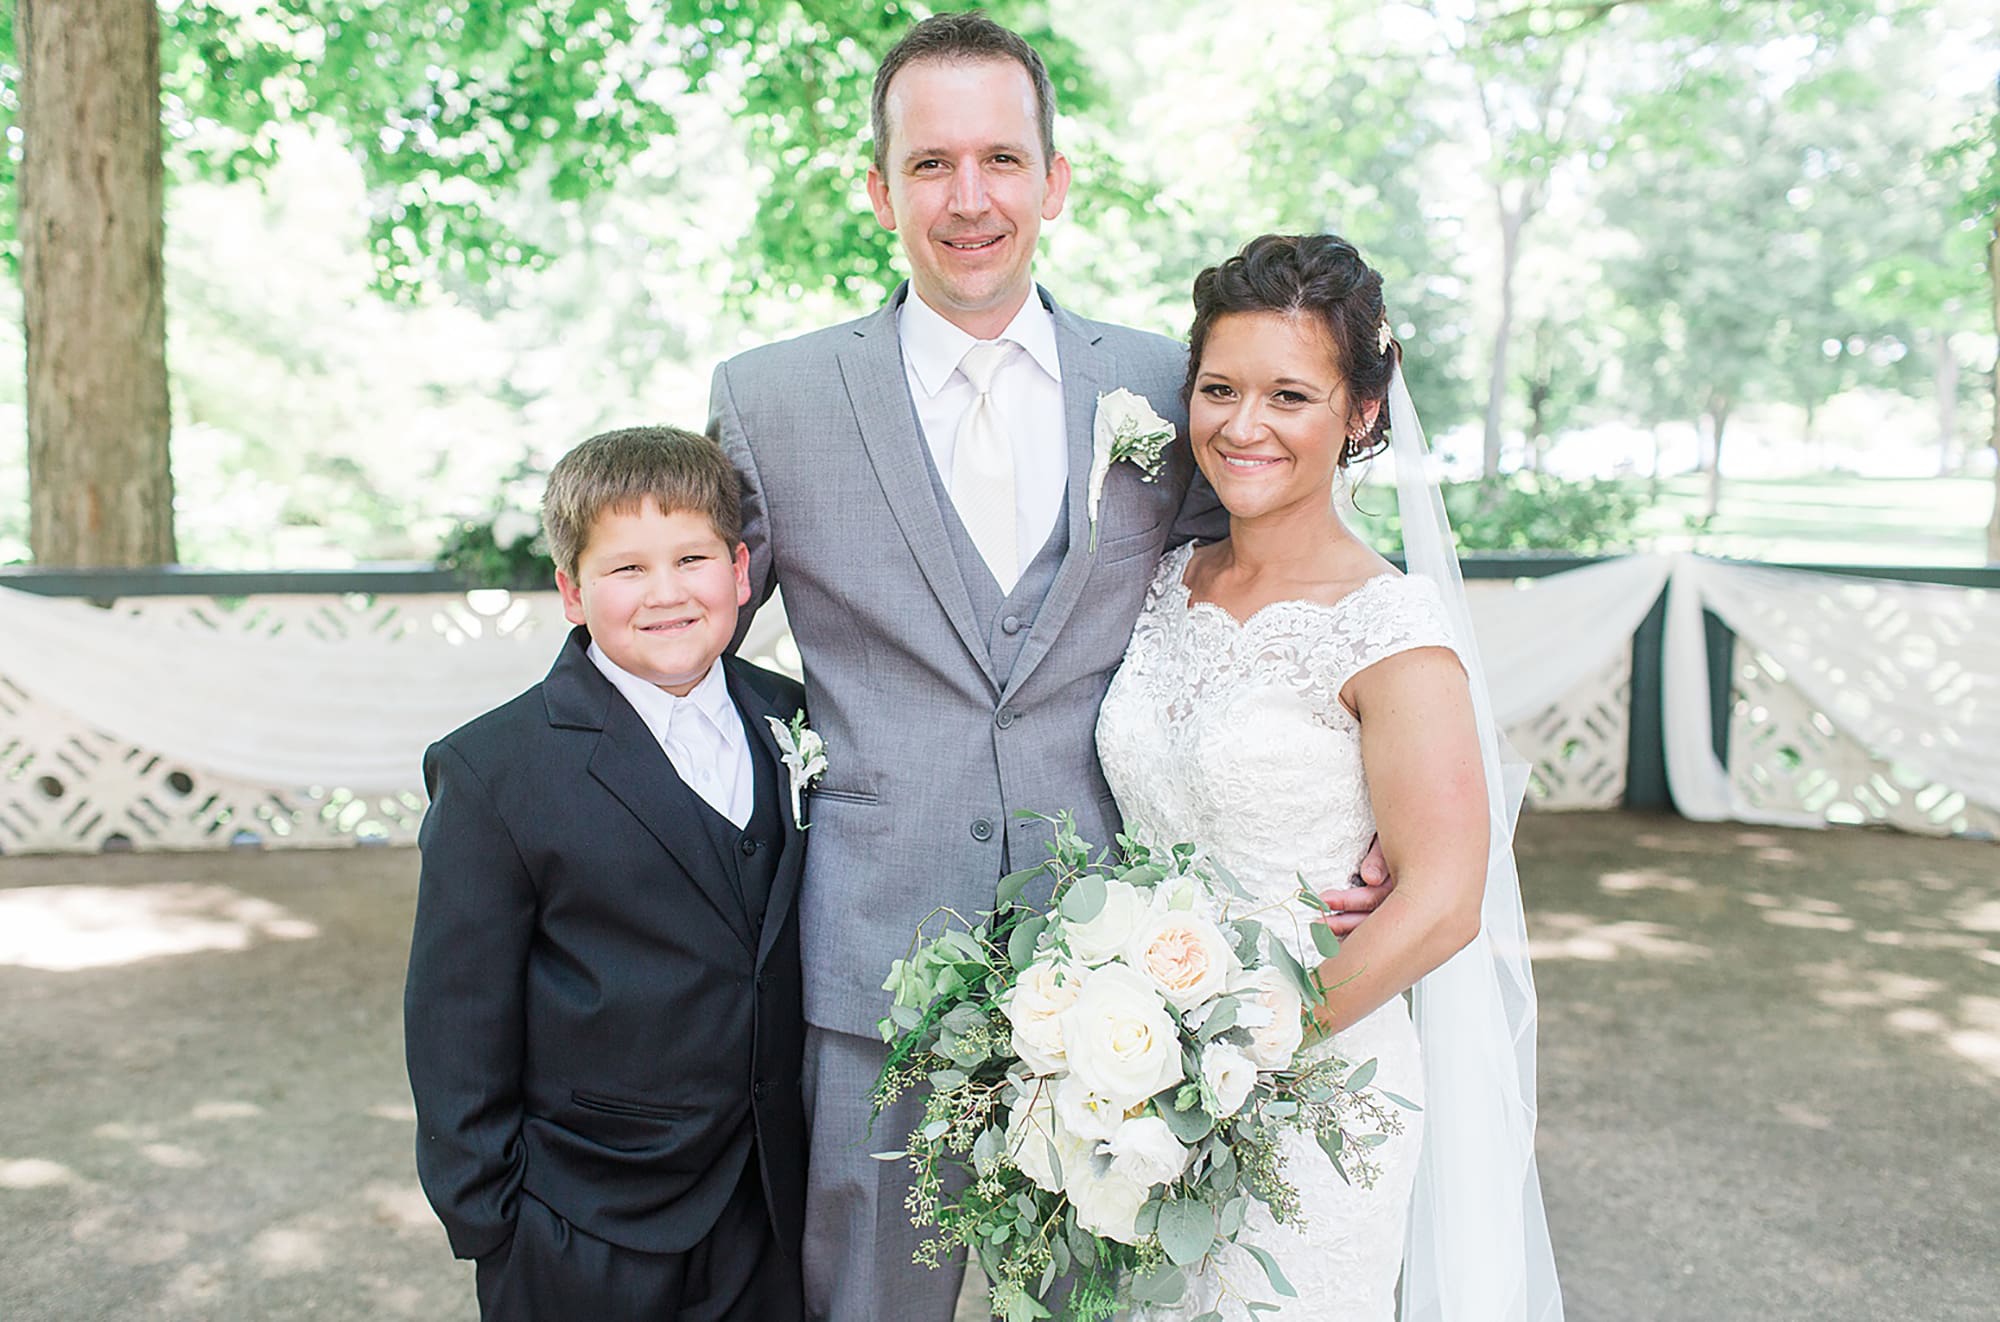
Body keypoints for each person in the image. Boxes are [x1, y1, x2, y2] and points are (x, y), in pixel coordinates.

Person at [710, 14, 1393, 1320]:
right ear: (879, 186)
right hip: (873, 967)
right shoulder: (771, 399)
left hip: (1122, 991)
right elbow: (691, 650)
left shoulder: (1168, 385)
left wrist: (1351, 800)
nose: (970, 199)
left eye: (1002, 160)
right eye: (929, 164)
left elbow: (1258, 600)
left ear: (1055, 179)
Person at [1096, 234, 1561, 1321]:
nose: (1240, 424)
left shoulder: (1388, 626)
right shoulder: (1163, 580)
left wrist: (1226, 1061)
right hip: (1128, 1086)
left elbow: (1444, 900)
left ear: (1358, 413)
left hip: (1308, 1098)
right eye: (1218, 387)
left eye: (1287, 394)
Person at [403, 426, 810, 1322]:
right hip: (582, 1224)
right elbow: (455, 1018)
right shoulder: (494, 769)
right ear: (571, 593)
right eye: (626, 569)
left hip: (769, 1210)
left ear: (740, 574)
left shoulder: (794, 720)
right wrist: (495, 1224)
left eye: (692, 558)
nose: (666, 593)